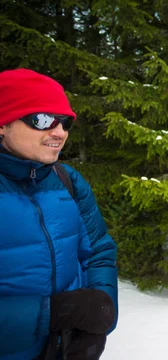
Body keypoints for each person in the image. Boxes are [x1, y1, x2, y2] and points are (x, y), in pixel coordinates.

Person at [0, 69, 118, 360]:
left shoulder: (67, 180)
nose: (59, 132)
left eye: (64, 121)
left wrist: (100, 312)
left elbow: (99, 252)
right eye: (42, 120)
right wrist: (52, 314)